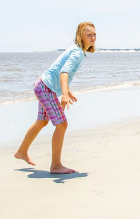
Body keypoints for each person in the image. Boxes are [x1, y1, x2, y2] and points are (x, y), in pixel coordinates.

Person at [14, 22, 97, 174]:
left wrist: (66, 90)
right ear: (80, 36)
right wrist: (64, 94)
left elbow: (61, 71)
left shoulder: (79, 51)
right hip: (46, 88)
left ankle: (21, 152)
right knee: (62, 124)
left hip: (43, 85)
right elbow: (64, 72)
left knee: (42, 121)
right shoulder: (77, 52)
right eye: (89, 34)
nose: (92, 37)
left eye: (94, 34)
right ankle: (56, 165)